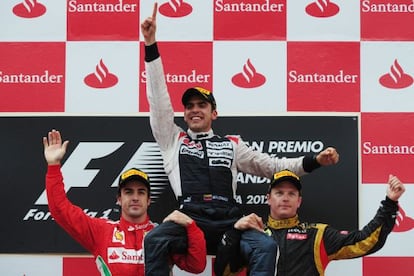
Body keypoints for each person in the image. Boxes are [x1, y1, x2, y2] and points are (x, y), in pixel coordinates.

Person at [140, 3, 339, 275]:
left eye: (202, 105)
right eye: (189, 106)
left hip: (229, 220)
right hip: (190, 218)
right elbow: (158, 101)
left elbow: (272, 166)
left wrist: (315, 160)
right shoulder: (172, 140)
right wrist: (150, 45)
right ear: (184, 114)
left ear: (214, 113)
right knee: (154, 239)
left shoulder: (232, 144)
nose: (195, 109)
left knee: (266, 246)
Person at [43, 129, 206, 276]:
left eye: (141, 192)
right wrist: (53, 166)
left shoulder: (163, 234)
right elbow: (60, 210)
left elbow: (196, 266)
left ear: (149, 200)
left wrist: (191, 228)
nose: (135, 197)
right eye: (128, 192)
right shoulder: (102, 231)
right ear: (119, 199)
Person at [224, 169, 405, 276]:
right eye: (279, 193)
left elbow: (365, 241)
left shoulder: (317, 235)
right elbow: (226, 272)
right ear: (268, 199)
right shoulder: (253, 234)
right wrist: (233, 233)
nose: (285, 198)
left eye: (291, 193)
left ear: (299, 201)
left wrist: (390, 203)